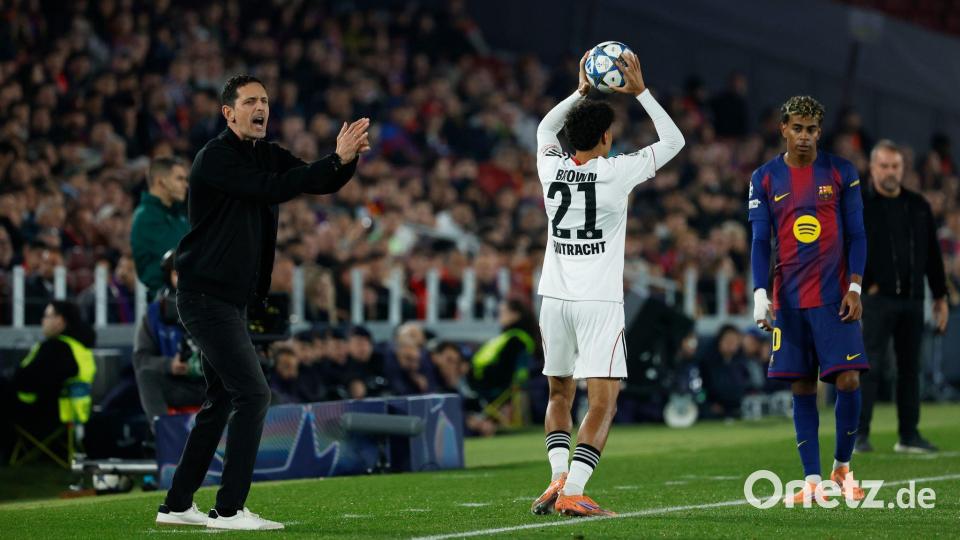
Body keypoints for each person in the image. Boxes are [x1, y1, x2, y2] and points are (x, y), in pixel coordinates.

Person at [154, 74, 369, 530]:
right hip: (204, 296)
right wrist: (333, 159)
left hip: (230, 300)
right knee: (252, 394)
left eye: (265, 101)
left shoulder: (265, 153)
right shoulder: (215, 158)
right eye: (250, 101)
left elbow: (315, 182)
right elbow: (272, 188)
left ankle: (176, 505)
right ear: (228, 113)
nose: (261, 108)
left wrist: (343, 163)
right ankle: (229, 509)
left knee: (220, 400)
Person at [531, 50, 684, 517]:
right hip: (597, 303)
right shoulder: (617, 173)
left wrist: (579, 90)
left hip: (554, 299)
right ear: (604, 137)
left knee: (560, 393)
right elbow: (673, 140)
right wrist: (641, 92)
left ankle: (558, 477)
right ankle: (574, 489)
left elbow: (543, 130)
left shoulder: (550, 166)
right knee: (605, 401)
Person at [748, 96, 869, 504]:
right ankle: (812, 481)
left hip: (835, 297)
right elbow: (760, 241)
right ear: (783, 128)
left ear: (820, 132)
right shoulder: (764, 178)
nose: (804, 136)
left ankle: (843, 468)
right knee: (802, 387)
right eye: (797, 128)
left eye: (812, 129)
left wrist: (855, 287)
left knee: (849, 379)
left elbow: (857, 235)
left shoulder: (841, 172)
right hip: (791, 299)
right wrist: (760, 294)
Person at [857, 140, 949, 454]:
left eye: (895, 166)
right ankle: (858, 435)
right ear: (872, 168)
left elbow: (933, 255)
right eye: (884, 166)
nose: (890, 172)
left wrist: (940, 296)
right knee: (868, 365)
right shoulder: (860, 205)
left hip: (912, 299)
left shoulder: (918, 205)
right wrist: (864, 285)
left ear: (902, 168)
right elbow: (846, 251)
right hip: (876, 300)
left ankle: (908, 435)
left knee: (911, 368)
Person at [4, 301, 96, 450]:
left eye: (47, 316)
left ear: (60, 321)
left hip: (46, 415)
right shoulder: (78, 347)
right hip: (74, 414)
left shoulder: (56, 348)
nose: (43, 321)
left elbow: (28, 380)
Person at [131, 250, 205, 432]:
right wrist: (168, 365)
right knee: (146, 377)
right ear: (169, 276)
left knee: (259, 386)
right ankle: (166, 438)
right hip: (178, 386)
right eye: (177, 273)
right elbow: (140, 359)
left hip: (215, 386)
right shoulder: (155, 313)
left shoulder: (219, 308)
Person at [131, 156, 190, 300]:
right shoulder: (146, 217)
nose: (186, 185)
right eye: (179, 179)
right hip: (163, 304)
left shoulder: (179, 215)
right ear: (160, 182)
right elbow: (179, 258)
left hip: (184, 298)